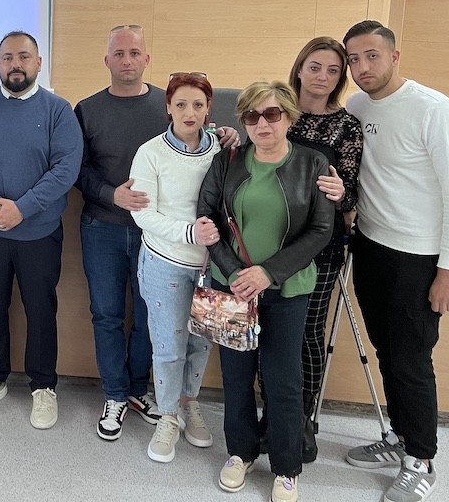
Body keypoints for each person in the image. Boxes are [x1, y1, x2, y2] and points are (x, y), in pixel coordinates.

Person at [75, 26, 240, 442]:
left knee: (151, 320)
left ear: (147, 59)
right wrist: (110, 194)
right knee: (107, 314)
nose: (127, 60)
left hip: (163, 241)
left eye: (135, 53)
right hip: (104, 226)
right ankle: (114, 394)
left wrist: (227, 134)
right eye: (119, 53)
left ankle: (137, 390)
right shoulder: (87, 109)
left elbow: (200, 135)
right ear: (107, 60)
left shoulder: (169, 103)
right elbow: (79, 170)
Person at [342, 21, 449, 502]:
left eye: (372, 56)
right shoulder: (357, 106)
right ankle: (401, 437)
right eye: (354, 60)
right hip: (370, 247)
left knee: (411, 360)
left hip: (418, 259)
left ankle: (421, 459)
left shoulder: (436, 110)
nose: (362, 68)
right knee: (387, 351)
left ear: (395, 56)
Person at [197, 81, 333, 502]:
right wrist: (236, 273)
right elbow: (207, 218)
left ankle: (287, 466)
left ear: (289, 117)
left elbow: (321, 230)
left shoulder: (313, 163)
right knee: (236, 377)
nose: (262, 124)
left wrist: (267, 273)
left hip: (288, 290)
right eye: (252, 116)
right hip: (234, 289)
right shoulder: (227, 161)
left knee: (283, 380)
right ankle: (240, 452)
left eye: (272, 114)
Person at [0, 30, 83, 429]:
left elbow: (66, 168)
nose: (16, 65)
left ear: (38, 63)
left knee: (41, 310)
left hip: (39, 233)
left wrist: (22, 209)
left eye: (24, 57)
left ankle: (43, 385)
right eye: (8, 58)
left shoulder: (58, 110)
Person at [129, 72, 220, 462]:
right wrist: (188, 232)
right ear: (168, 107)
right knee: (169, 344)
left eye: (198, 105)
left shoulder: (222, 149)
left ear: (208, 108)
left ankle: (188, 402)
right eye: (181, 104)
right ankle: (167, 416)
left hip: (211, 267)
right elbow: (142, 214)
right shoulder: (150, 152)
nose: (189, 112)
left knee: (201, 341)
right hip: (164, 262)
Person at [284, 36, 362, 461]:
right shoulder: (277, 110)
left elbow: (352, 196)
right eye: (315, 67)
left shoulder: (347, 125)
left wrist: (340, 193)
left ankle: (303, 418)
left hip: (321, 243)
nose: (323, 77)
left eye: (333, 70)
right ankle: (274, 411)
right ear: (299, 68)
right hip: (272, 240)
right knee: (273, 330)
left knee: (308, 332)